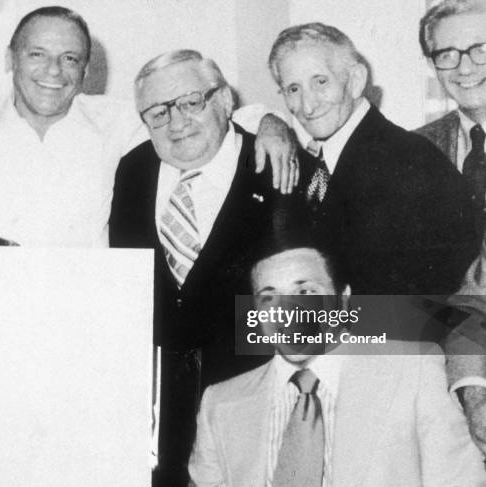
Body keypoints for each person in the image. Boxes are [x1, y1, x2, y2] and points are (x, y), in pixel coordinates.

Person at [0, 6, 295, 247]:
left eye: (69, 58)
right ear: (10, 58)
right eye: (37, 54)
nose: (53, 71)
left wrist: (269, 122)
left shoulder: (115, 120)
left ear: (86, 71)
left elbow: (205, 114)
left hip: (86, 315)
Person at [109, 49, 297, 486]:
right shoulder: (132, 170)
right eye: (157, 112)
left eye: (191, 102)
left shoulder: (279, 166)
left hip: (250, 413)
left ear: (226, 101)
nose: (176, 122)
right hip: (155, 421)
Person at [189, 240, 486, 487]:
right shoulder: (221, 404)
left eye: (305, 292)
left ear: (343, 300)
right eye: (268, 298)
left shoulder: (414, 370)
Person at [268, 22, 477, 295]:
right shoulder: (321, 164)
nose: (308, 105)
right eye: (293, 89)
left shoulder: (402, 162)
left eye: (321, 82)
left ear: (356, 80)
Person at [417, 0, 486, 456]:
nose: (465, 67)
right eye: (448, 54)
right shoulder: (414, 151)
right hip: (446, 387)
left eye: (480, 48)